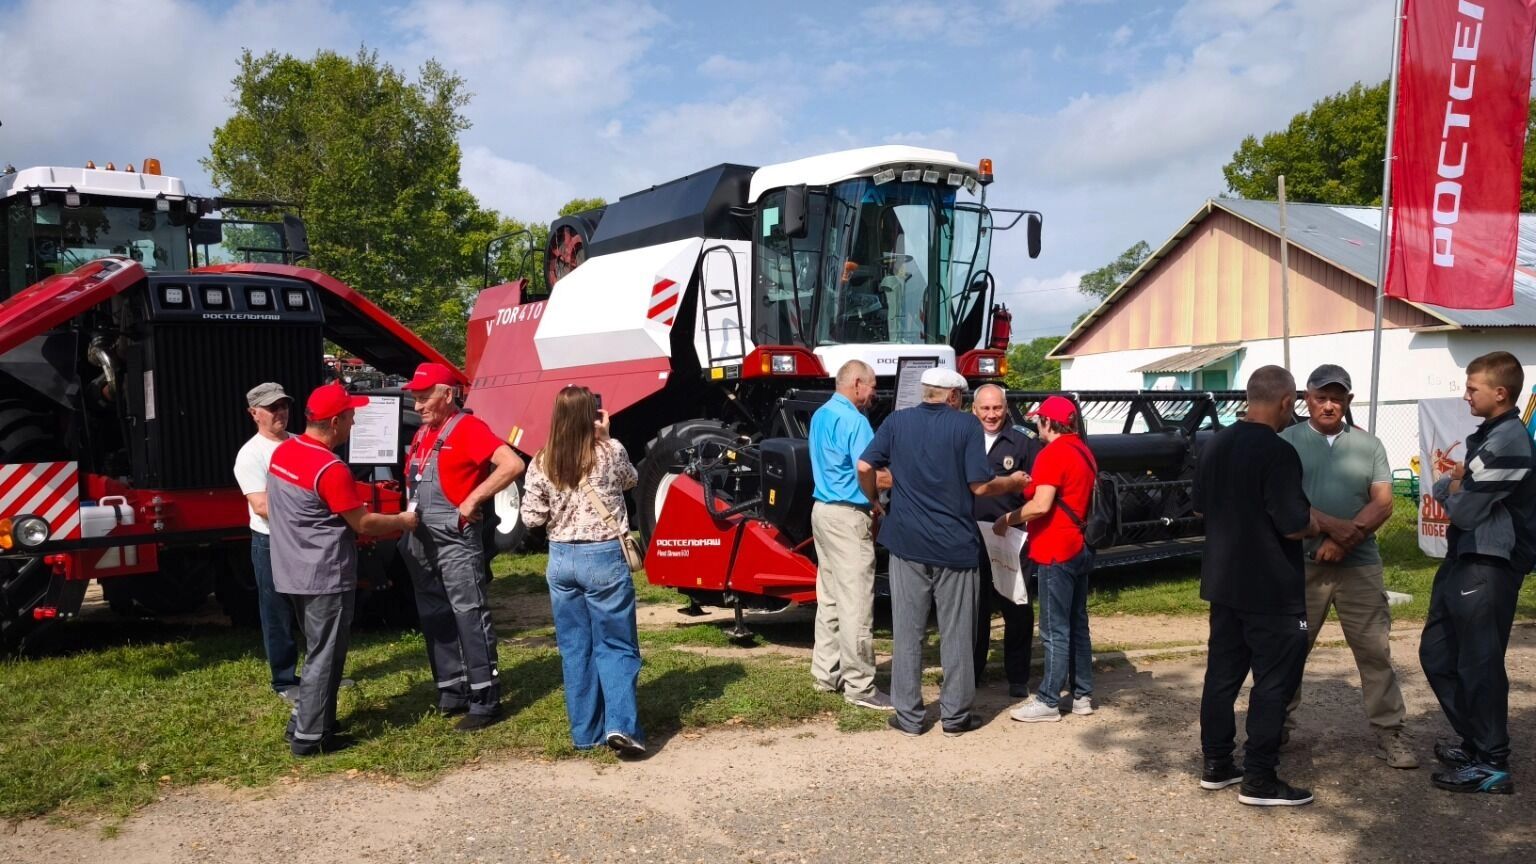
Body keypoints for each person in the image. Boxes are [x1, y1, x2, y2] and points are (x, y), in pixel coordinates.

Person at [857, 368, 1025, 738]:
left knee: (908, 631)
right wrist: (1012, 482)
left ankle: (909, 716)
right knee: (957, 632)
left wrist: (873, 499)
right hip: (955, 544)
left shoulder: (897, 422)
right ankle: (955, 716)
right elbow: (980, 486)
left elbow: (865, 465)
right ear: (953, 396)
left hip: (906, 542)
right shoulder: (966, 426)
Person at [1193, 365, 1320, 806]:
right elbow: (1293, 524)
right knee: (1273, 682)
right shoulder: (1279, 452)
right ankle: (1260, 778)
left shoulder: (1214, 444)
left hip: (1224, 582)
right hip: (1271, 588)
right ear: (1286, 402)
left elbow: (1199, 507)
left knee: (1222, 677)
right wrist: (1319, 524)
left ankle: (1216, 763)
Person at [268, 383, 418, 756]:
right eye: (351, 416)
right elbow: (363, 523)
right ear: (335, 422)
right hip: (324, 574)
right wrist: (402, 520)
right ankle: (310, 737)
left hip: (290, 569)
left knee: (317, 649)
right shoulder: (330, 468)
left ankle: (306, 720)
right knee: (326, 654)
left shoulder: (284, 452)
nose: (354, 423)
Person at [1279, 364, 1416, 769]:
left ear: (1348, 401)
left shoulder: (1368, 445)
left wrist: (1344, 541)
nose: (1328, 405)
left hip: (1360, 567)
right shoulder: (1285, 442)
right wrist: (1334, 529)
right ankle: (1275, 727)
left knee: (1375, 652)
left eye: (1336, 398)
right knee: (1289, 650)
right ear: (1306, 399)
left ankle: (1391, 732)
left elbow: (1384, 502)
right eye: (1321, 397)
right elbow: (1282, 501)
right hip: (1302, 566)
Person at [1420, 350, 1535, 795]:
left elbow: (1465, 509)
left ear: (1500, 393)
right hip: (1463, 558)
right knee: (1437, 655)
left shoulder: (1508, 441)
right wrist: (1456, 483)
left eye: (1473, 388)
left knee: (1479, 663)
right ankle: (1475, 741)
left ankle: (1492, 762)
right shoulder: (1489, 436)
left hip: (1490, 563)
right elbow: (1452, 487)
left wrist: (1455, 485)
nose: (1466, 395)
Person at [399, 362, 525, 732]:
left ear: (448, 394)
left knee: (469, 612)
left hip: (454, 536)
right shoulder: (424, 432)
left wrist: (472, 501)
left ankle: (485, 698)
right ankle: (452, 688)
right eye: (415, 398)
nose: (418, 406)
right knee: (433, 611)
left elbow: (512, 464)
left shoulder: (468, 428)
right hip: (420, 535)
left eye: (425, 398)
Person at [520, 385, 646, 758]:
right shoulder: (610, 451)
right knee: (616, 643)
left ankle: (585, 732)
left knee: (576, 647)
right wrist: (605, 437)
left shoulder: (542, 460)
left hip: (561, 559)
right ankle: (621, 726)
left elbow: (531, 518)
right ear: (592, 415)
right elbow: (631, 480)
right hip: (603, 554)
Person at [995, 395, 1098, 722]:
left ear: (1049, 422)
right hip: (1080, 544)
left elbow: (1041, 505)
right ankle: (1082, 694)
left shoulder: (1052, 453)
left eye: (1040, 419)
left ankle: (1049, 700)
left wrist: (1007, 519)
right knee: (1077, 623)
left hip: (1055, 547)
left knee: (1054, 628)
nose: (1037, 424)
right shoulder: (1083, 450)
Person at [809, 359, 893, 711]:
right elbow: (867, 469)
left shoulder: (821, 415)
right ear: (857, 383)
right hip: (848, 515)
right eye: (872, 386)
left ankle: (826, 674)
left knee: (829, 597)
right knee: (856, 601)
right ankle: (860, 685)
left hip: (822, 511)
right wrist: (890, 485)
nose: (874, 393)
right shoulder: (856, 421)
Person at [970, 384, 1043, 697]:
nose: (991, 415)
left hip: (1011, 536)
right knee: (974, 608)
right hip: (971, 536)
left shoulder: (1024, 441)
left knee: (1016, 607)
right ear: (974, 410)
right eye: (985, 409)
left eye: (997, 408)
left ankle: (1017, 677)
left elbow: (1038, 491)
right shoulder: (964, 438)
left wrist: (1016, 521)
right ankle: (971, 674)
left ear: (1006, 407)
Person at [233, 382, 300, 703]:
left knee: (312, 610)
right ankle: (284, 680)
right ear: (254, 413)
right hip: (271, 542)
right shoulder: (250, 454)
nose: (280, 412)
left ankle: (319, 675)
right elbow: (261, 506)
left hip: (304, 539)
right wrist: (309, 515)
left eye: (283, 405)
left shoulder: (301, 444)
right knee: (277, 612)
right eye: (273, 408)